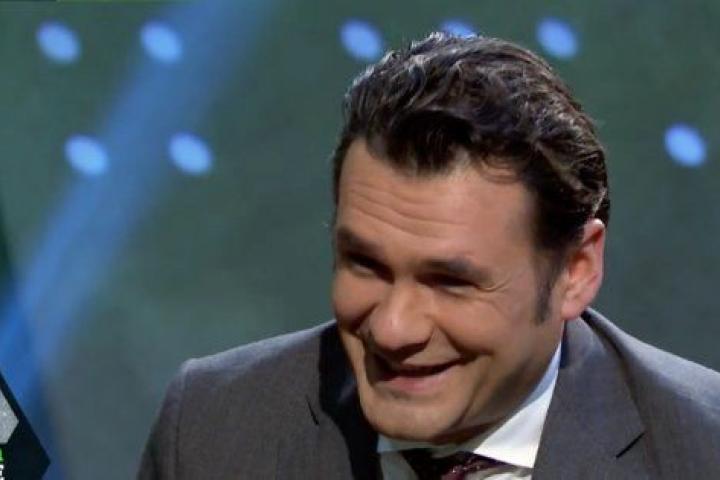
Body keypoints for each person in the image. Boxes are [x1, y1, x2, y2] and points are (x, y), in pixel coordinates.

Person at [138, 32, 720, 479]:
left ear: (576, 270)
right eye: (365, 265)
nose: (393, 330)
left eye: (450, 281)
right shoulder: (214, 429)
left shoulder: (701, 450)